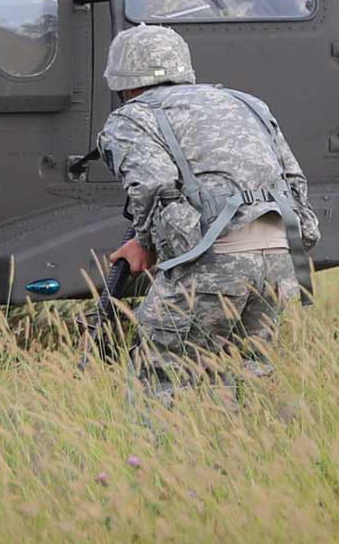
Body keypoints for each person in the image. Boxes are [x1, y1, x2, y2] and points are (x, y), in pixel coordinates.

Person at [97, 24, 318, 395]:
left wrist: (149, 244)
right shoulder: (246, 104)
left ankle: (157, 452)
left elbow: (152, 188)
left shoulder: (131, 119)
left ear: (124, 82)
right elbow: (293, 179)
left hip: (213, 258)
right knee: (249, 378)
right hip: (280, 256)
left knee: (163, 379)